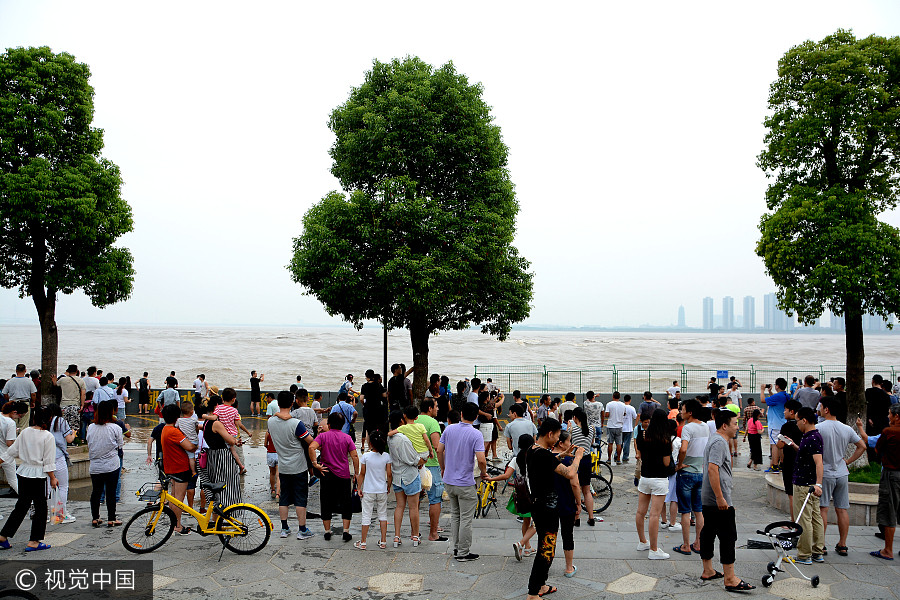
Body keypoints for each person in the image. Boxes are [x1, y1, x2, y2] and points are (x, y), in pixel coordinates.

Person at [525, 417, 584, 600]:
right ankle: (533, 593)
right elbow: (570, 473)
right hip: (546, 509)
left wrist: (561, 455)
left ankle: (541, 585)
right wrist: (578, 457)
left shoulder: (533, 450)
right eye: (557, 436)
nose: (558, 440)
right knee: (546, 550)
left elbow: (547, 462)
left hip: (538, 506)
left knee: (545, 546)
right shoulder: (543, 454)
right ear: (550, 434)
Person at [699, 409, 754, 591]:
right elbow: (712, 469)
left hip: (711, 497)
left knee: (709, 532)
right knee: (728, 536)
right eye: (735, 424)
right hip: (717, 500)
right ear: (724, 425)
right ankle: (730, 578)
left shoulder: (716, 440)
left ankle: (708, 570)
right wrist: (721, 498)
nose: (737, 427)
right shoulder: (719, 442)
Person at [0, 405, 57, 551]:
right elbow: (48, 462)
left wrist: (1, 460)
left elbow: (12, 451)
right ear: (49, 419)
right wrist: (53, 478)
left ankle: (3, 536)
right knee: (40, 508)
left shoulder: (25, 432)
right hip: (38, 475)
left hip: (24, 472)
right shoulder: (48, 436)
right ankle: (34, 541)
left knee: (21, 506)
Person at [437, 402, 487, 562]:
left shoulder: (449, 429)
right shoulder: (476, 434)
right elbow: (481, 460)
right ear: (476, 416)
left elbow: (439, 450)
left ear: (461, 413)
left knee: (456, 515)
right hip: (465, 482)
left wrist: (443, 467)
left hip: (449, 481)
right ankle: (463, 552)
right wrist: (484, 473)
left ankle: (457, 547)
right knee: (466, 518)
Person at [817, 396, 866, 557]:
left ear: (827, 409)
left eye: (821, 406)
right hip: (842, 473)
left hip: (825, 473)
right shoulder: (847, 429)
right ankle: (843, 544)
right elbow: (862, 446)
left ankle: (821, 545)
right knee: (842, 509)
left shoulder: (818, 428)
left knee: (823, 508)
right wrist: (848, 461)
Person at [268, 391, 316, 540]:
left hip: (283, 466)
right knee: (300, 498)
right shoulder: (296, 424)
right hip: (299, 467)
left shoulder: (270, 422)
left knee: (284, 498)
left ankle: (284, 528)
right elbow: (310, 441)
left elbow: (277, 418)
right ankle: (302, 530)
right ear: (291, 403)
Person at [308, 412, 359, 541]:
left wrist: (315, 464)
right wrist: (357, 473)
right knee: (346, 503)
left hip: (326, 474)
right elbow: (355, 456)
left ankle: (327, 531)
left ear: (329, 425)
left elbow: (311, 447)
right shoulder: (347, 438)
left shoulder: (323, 437)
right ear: (342, 425)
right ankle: (346, 531)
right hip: (343, 475)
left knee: (326, 501)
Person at [783, 407, 825, 564]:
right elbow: (807, 455)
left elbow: (818, 462)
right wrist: (794, 446)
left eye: (798, 420)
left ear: (804, 420)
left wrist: (819, 483)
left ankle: (804, 554)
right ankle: (817, 551)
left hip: (804, 484)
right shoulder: (812, 436)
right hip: (810, 483)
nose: (797, 424)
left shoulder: (811, 437)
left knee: (804, 519)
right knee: (815, 517)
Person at [858, 404, 900, 560]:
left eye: (890, 414)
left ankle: (888, 550)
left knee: (890, 510)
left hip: (891, 474)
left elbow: (877, 450)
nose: (888, 417)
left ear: (897, 416)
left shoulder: (888, 432)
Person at [487, 433, 538, 560]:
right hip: (534, 494)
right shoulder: (535, 457)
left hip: (521, 494)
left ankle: (527, 547)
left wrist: (491, 478)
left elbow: (506, 476)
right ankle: (521, 544)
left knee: (526, 520)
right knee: (538, 522)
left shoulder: (516, 459)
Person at [634, 409, 673, 559]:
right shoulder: (665, 440)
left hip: (645, 477)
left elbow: (641, 454)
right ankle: (654, 550)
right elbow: (666, 462)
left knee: (640, 512)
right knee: (654, 515)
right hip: (659, 479)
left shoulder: (644, 436)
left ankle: (642, 541)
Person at [674, 398, 707, 556]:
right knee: (699, 511)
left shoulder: (688, 428)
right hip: (701, 472)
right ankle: (698, 543)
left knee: (686, 511)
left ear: (690, 412)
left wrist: (680, 464)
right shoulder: (706, 426)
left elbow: (683, 449)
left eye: (683, 409)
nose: (681, 412)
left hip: (687, 472)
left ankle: (686, 545)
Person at [386, 410, 423, 547]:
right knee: (413, 507)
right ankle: (415, 536)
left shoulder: (391, 438)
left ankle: (397, 536)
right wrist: (422, 460)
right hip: (410, 476)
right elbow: (413, 459)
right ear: (402, 420)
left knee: (399, 506)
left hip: (397, 475)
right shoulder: (403, 439)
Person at [160, 403, 197, 535]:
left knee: (173, 497)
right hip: (180, 467)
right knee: (179, 499)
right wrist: (195, 444)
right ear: (177, 417)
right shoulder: (174, 432)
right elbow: (189, 447)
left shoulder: (165, 429)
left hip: (171, 467)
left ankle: (174, 523)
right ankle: (177, 525)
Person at [86, 400, 124, 528]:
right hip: (111, 465)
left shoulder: (91, 427)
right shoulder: (115, 428)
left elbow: (89, 443)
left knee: (96, 491)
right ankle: (111, 519)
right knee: (111, 492)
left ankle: (95, 517)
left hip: (95, 466)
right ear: (111, 413)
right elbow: (119, 446)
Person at [199, 396, 241, 509]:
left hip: (212, 456)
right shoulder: (217, 423)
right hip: (222, 458)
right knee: (227, 487)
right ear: (217, 406)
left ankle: (216, 516)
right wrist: (236, 441)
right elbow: (231, 440)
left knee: (215, 489)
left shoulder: (207, 422)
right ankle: (227, 513)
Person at [552, 431, 583, 578]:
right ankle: (569, 568)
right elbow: (575, 484)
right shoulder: (568, 461)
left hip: (550, 502)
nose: (570, 444)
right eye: (569, 441)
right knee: (567, 535)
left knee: (548, 535)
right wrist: (579, 503)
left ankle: (545, 565)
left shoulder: (547, 457)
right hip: (566, 502)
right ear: (561, 443)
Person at [356, 431, 392, 550]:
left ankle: (363, 542)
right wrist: (388, 486)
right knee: (383, 514)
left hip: (369, 490)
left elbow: (362, 474)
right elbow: (389, 474)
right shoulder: (386, 456)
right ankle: (383, 541)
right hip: (381, 489)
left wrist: (359, 487)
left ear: (370, 443)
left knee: (366, 515)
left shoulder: (366, 456)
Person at [417, 398, 447, 542]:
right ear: (429, 408)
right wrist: (443, 466)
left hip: (415, 465)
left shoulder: (413, 421)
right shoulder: (432, 423)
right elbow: (437, 448)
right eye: (436, 406)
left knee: (414, 499)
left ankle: (414, 533)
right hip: (431, 465)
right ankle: (433, 533)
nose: (437, 409)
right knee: (435, 499)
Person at [46, 403, 76, 523]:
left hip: (45, 457)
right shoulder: (60, 421)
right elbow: (69, 439)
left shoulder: (44, 421)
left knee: (47, 487)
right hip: (58, 456)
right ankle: (60, 515)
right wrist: (73, 433)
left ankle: (48, 515)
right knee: (63, 486)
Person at [775, 399, 803, 521]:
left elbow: (780, 445)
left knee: (792, 495)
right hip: (803, 461)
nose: (784, 412)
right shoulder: (805, 425)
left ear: (792, 412)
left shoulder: (786, 426)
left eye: (785, 410)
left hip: (790, 462)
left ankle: (793, 522)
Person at [570, 408, 597, 526]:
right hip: (587, 460)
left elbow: (570, 443)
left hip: (576, 460)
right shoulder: (592, 429)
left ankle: (577, 518)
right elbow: (591, 443)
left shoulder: (572, 429)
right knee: (587, 491)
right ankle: (591, 517)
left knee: (575, 489)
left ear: (575, 417)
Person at [214, 387, 250, 474]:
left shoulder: (218, 408)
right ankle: (241, 466)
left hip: (222, 435)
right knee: (234, 451)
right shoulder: (234, 410)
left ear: (222, 398)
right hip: (233, 436)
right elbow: (238, 424)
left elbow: (214, 418)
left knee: (222, 454)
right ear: (233, 400)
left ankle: (222, 470)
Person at [176, 400, 201, 508]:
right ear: (192, 412)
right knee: (202, 485)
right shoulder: (196, 421)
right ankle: (201, 508)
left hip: (184, 450)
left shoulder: (179, 421)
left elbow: (175, 428)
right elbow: (197, 428)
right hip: (200, 454)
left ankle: (188, 507)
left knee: (189, 485)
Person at [761, 378, 790, 472]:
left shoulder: (777, 397)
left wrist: (762, 390)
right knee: (782, 444)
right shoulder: (785, 395)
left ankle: (774, 466)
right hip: (783, 424)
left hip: (774, 425)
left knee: (774, 445)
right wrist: (770, 392)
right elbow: (775, 400)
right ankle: (782, 464)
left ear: (777, 386)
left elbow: (762, 400)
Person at [0, 401, 26, 497]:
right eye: (20, 416)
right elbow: (9, 443)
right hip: (5, 455)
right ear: (14, 412)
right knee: (13, 481)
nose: (19, 419)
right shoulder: (10, 423)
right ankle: (28, 500)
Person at [2, 364, 37, 430]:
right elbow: (33, 394)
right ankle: (22, 438)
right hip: (25, 403)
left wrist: (9, 400)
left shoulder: (10, 381)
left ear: (16, 371)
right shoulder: (29, 381)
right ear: (25, 371)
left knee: (13, 424)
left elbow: (5, 393)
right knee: (24, 425)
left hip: (13, 404)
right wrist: (33, 402)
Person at [57, 364, 86, 433]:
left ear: (68, 371)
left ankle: (64, 438)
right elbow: (83, 394)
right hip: (75, 405)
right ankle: (73, 439)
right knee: (74, 425)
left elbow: (56, 384)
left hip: (64, 405)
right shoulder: (81, 381)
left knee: (63, 424)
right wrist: (82, 405)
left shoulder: (62, 380)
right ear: (77, 371)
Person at [621, 394, 637, 463]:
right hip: (628, 428)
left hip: (620, 428)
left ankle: (616, 454)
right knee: (627, 443)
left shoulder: (621, 407)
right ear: (630, 400)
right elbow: (635, 417)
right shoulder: (632, 408)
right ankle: (625, 456)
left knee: (619, 443)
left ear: (624, 400)